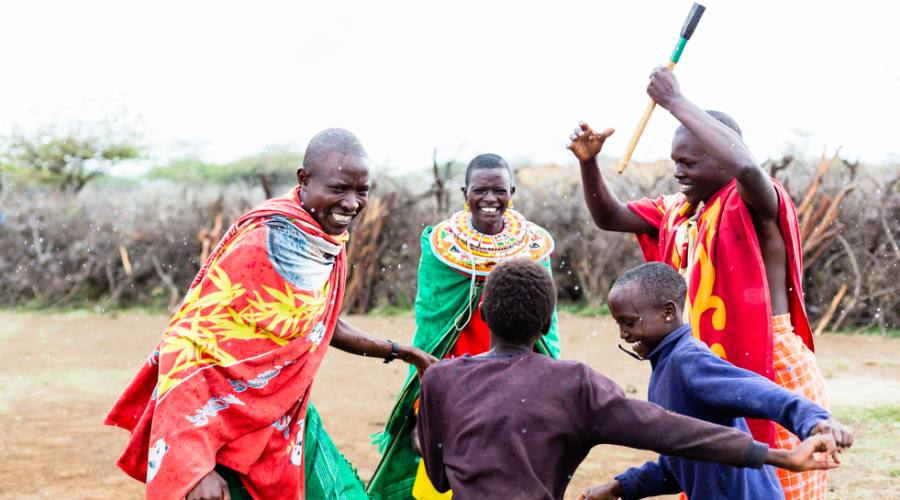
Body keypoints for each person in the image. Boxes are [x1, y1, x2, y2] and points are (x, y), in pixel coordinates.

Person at [105, 128, 436, 500]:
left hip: (284, 423)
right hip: (223, 434)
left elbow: (323, 324)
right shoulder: (264, 241)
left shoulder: (322, 241)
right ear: (304, 179)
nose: (351, 203)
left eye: (362, 191)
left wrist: (400, 351)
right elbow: (188, 345)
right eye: (339, 188)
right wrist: (194, 463)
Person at [567, 67, 832, 498]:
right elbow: (609, 216)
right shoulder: (678, 212)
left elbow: (746, 166)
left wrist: (674, 101)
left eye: (688, 162)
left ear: (723, 155)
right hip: (706, 369)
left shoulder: (755, 202)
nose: (677, 173)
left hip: (771, 359)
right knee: (718, 477)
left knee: (781, 486)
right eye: (675, 162)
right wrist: (589, 163)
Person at [417, 259, 840, 500]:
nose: (624, 332)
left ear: (484, 314)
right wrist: (778, 456)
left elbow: (439, 477)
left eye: (629, 321)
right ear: (547, 324)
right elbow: (673, 433)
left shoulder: (441, 380)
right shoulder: (575, 385)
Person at [367, 154, 559, 499]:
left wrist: (551, 380)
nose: (489, 199)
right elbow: (432, 323)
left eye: (499, 190)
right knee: (438, 464)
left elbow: (548, 322)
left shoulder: (532, 247)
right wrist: (426, 397)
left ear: (511, 191)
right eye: (480, 190)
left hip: (518, 374)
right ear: (464, 193)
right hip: (455, 373)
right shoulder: (440, 248)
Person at [577, 263, 853, 500]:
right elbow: (680, 461)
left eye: (629, 322)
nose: (624, 334)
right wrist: (621, 486)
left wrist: (814, 421)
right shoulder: (664, 369)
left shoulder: (688, 361)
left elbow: (762, 394)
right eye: (619, 325)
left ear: (668, 312)